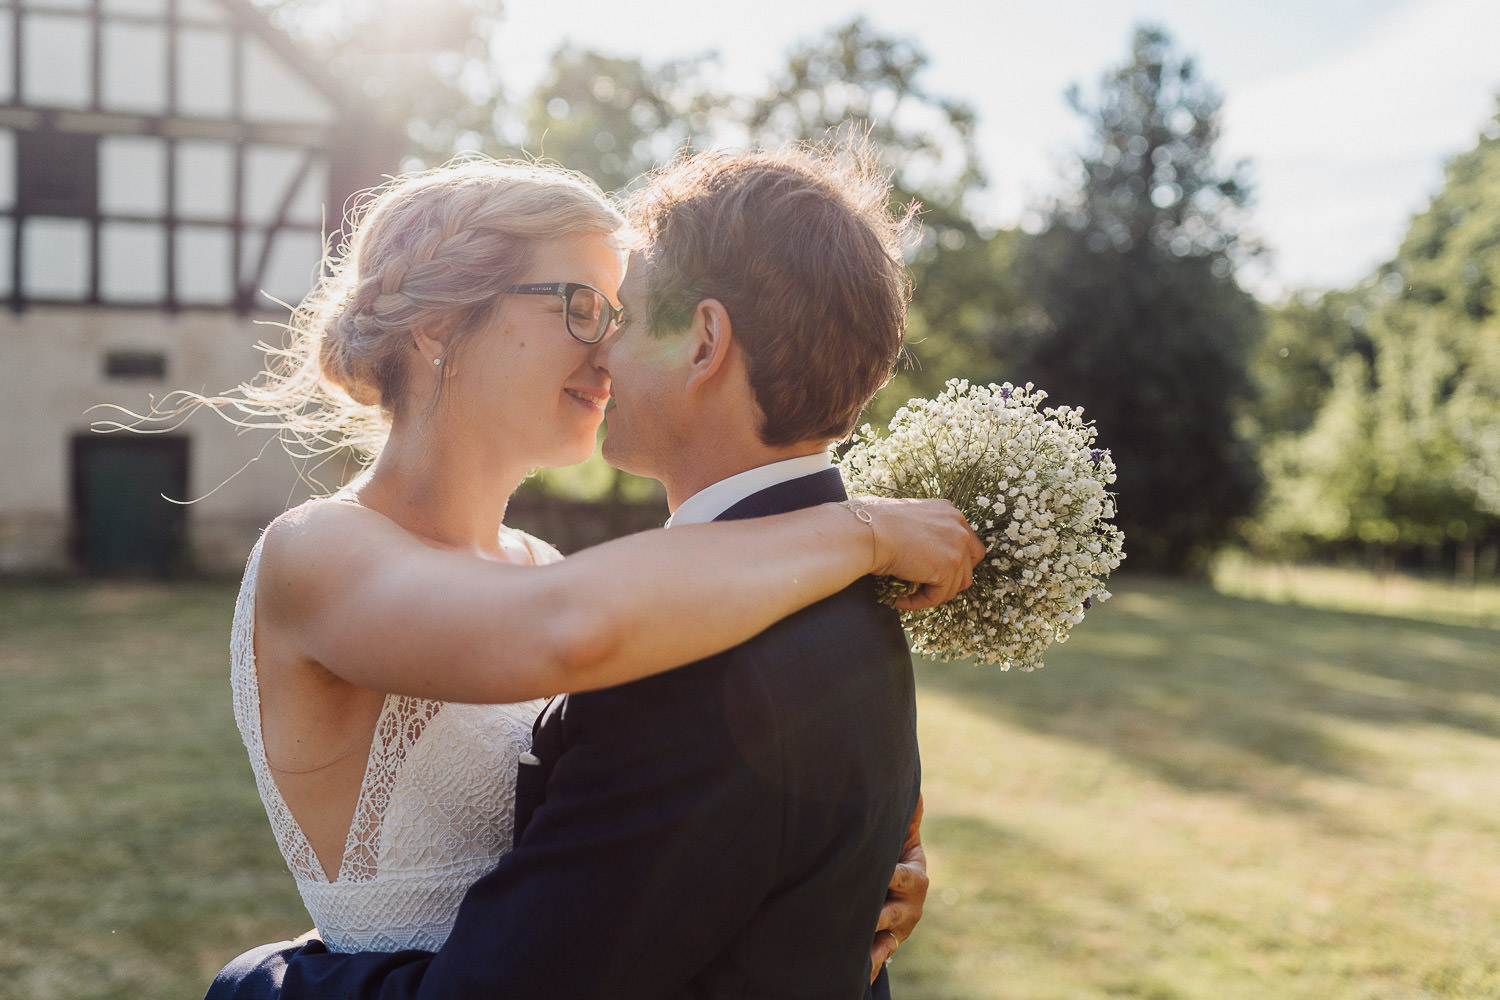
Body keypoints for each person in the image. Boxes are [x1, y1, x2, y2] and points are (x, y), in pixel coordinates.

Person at [202, 152, 977, 996]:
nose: (608, 347)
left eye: (617, 312)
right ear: (436, 325)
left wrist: (833, 868)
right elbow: (564, 634)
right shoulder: (316, 550)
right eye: (581, 307)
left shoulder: (545, 566)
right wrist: (858, 528)